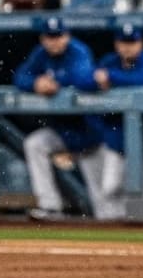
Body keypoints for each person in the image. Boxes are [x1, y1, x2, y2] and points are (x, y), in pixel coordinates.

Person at [13, 16, 103, 221]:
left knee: (104, 204)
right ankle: (50, 206)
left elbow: (83, 79)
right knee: (34, 144)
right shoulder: (41, 54)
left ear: (67, 36)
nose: (54, 41)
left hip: (92, 136)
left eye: (58, 36)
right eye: (50, 37)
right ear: (43, 39)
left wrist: (55, 82)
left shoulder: (78, 51)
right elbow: (20, 76)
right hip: (64, 133)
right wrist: (35, 83)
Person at [90, 23, 143, 217]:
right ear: (117, 44)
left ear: (141, 44)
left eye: (132, 42)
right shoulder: (109, 61)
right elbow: (86, 80)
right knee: (110, 188)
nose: (127, 47)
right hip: (116, 138)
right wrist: (100, 79)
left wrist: (112, 77)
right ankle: (112, 228)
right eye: (124, 42)